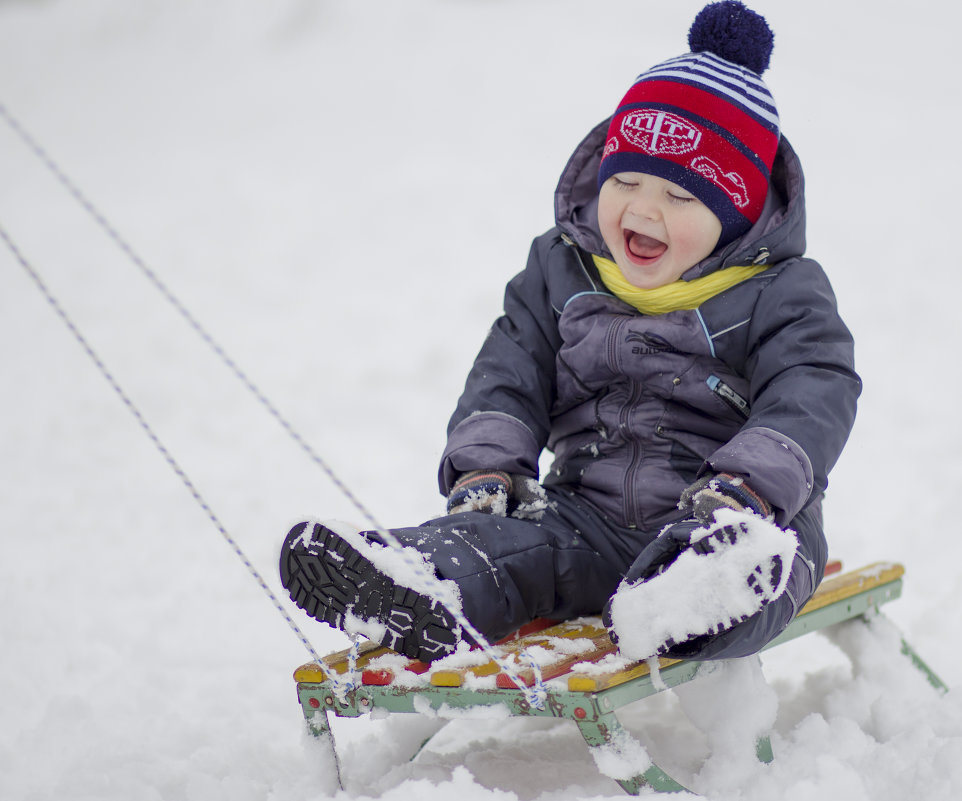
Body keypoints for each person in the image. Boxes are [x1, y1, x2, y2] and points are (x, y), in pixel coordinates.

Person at [280, 1, 860, 664]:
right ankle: (420, 578)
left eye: (681, 197)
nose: (643, 208)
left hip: (741, 518)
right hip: (586, 514)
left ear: (735, 215)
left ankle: (691, 594)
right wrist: (486, 464)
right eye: (627, 180)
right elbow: (511, 367)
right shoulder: (564, 268)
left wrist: (750, 488)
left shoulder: (782, 293)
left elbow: (813, 389)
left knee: (751, 574)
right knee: (516, 550)